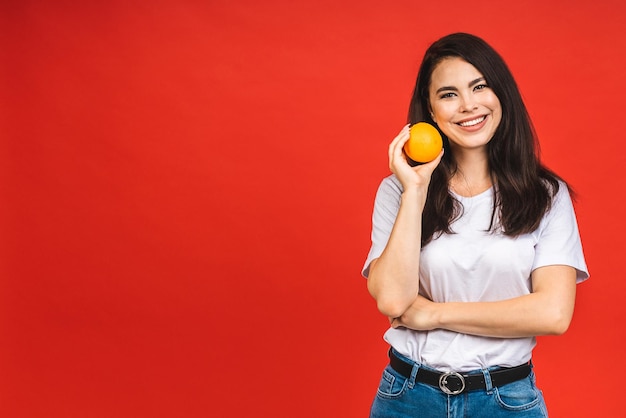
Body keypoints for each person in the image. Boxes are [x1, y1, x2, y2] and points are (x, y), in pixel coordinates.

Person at [362, 33, 588, 418]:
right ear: (431, 113)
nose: (468, 106)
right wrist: (415, 190)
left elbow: (553, 313)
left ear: (500, 94)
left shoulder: (546, 195)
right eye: (448, 94)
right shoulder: (397, 190)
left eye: (479, 86)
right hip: (408, 397)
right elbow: (393, 300)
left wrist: (434, 314)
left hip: (506, 400)